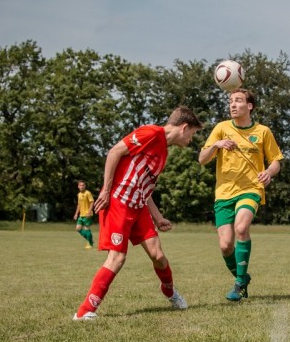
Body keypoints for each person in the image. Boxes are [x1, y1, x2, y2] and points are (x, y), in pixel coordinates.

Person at [73, 106, 203, 321]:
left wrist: (158, 217)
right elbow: (114, 152)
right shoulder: (151, 133)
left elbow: (145, 188)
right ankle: (85, 311)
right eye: (194, 133)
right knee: (117, 258)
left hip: (139, 207)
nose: (192, 139)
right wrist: (106, 190)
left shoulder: (164, 152)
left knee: (159, 257)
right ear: (184, 127)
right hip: (119, 203)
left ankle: (170, 292)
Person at [198, 88, 283, 301]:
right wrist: (216, 145)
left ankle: (237, 285)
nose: (233, 105)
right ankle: (242, 279)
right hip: (224, 193)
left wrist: (269, 172)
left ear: (250, 106)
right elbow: (202, 158)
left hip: (250, 189)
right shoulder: (221, 128)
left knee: (242, 227)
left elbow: (276, 161)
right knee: (226, 245)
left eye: (238, 101)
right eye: (230, 101)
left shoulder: (263, 132)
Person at [73, 180, 96, 249]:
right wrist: (76, 214)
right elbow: (79, 205)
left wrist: (89, 212)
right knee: (78, 228)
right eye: (80, 185)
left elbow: (92, 202)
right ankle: (90, 240)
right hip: (81, 215)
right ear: (78, 186)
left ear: (85, 186)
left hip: (87, 214)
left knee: (86, 229)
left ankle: (90, 244)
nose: (81, 186)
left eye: (83, 185)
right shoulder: (79, 194)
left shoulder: (88, 193)